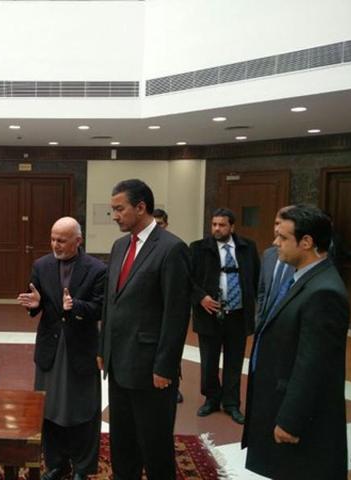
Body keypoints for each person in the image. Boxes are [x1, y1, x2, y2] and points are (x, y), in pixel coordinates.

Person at [242, 205, 350, 479]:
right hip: (278, 398)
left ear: (307, 242)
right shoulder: (303, 279)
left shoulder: (324, 292)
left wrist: (290, 421)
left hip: (298, 420)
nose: (275, 243)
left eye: (283, 238)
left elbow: (313, 366)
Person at [98, 179, 191, 480]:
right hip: (119, 363)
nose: (114, 216)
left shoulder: (171, 249)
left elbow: (176, 314)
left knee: (154, 444)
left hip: (151, 368)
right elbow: (110, 303)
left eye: (119, 209)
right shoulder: (119, 246)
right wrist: (104, 348)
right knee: (122, 442)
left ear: (141, 207)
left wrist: (165, 366)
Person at [17, 217, 106, 480]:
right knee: (49, 409)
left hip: (81, 348)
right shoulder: (41, 265)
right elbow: (37, 303)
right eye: (53, 239)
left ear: (78, 241)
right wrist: (34, 304)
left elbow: (101, 308)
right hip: (50, 348)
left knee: (83, 410)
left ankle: (82, 466)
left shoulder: (97, 269)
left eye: (62, 240)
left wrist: (76, 306)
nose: (55, 244)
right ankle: (56, 464)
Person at [190, 208, 259, 425]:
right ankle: (211, 399)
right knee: (209, 361)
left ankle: (231, 403)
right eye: (214, 224)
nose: (217, 229)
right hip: (209, 313)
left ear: (232, 227)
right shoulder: (199, 248)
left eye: (222, 225)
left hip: (237, 314)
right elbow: (187, 280)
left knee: (234, 361)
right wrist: (201, 298)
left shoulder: (247, 248)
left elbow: (255, 278)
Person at [152, 208, 184, 404]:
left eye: (161, 224)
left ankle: (175, 385)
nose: (158, 228)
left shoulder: (174, 248)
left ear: (166, 224)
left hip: (167, 313)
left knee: (170, 349)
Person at [256, 206, 295, 326]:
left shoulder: (300, 259)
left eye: (283, 224)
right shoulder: (268, 254)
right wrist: (259, 317)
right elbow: (262, 290)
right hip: (265, 322)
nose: (278, 229)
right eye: (276, 223)